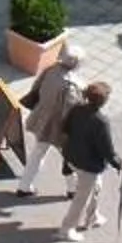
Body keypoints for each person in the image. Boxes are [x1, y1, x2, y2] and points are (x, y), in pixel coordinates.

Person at [58, 79, 122, 242]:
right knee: (81, 198)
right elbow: (107, 150)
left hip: (72, 157)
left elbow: (65, 128)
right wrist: (120, 164)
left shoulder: (77, 109)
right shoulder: (101, 122)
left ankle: (92, 217)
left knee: (95, 187)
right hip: (89, 165)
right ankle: (67, 229)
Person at [16, 44, 84, 195]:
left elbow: (36, 88)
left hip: (42, 118)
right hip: (58, 128)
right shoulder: (72, 85)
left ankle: (24, 186)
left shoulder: (51, 69)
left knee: (38, 152)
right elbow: (70, 111)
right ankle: (73, 189)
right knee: (70, 157)